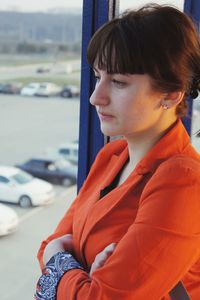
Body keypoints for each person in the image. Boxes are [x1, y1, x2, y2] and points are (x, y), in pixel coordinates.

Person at [34, 4, 200, 300]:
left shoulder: (184, 181)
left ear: (171, 94)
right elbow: (49, 244)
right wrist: (79, 273)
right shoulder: (112, 156)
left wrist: (60, 263)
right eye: (98, 76)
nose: (96, 97)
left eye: (119, 82)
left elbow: (93, 290)